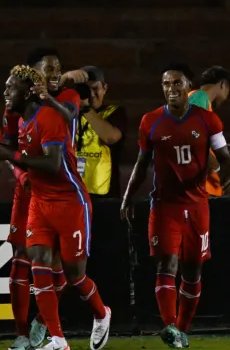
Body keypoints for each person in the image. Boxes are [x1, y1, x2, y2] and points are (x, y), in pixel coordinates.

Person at [0, 65, 111, 350]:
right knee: (38, 263)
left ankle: (102, 314)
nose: (5, 92)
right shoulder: (21, 121)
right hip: (40, 204)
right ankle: (58, 340)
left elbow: (53, 165)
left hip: (70, 202)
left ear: (28, 91)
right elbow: (23, 159)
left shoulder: (50, 116)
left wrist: (11, 154)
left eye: (10, 87)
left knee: (75, 276)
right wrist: (11, 160)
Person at [120, 63, 230, 348]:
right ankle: (169, 326)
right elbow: (142, 164)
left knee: (193, 270)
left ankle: (182, 329)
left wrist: (221, 183)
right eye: (166, 84)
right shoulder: (151, 121)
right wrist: (128, 196)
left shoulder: (208, 120)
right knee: (166, 265)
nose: (171, 89)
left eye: (177, 83)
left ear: (188, 85)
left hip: (197, 206)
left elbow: (225, 157)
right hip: (164, 206)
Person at [3, 48, 82, 350]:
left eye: (57, 69)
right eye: (47, 70)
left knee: (58, 263)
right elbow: (8, 148)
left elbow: (71, 114)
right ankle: (22, 334)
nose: (53, 75)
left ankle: (43, 322)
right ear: (32, 75)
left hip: (60, 189)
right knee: (21, 259)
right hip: (28, 192)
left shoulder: (66, 99)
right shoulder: (14, 108)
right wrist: (21, 176)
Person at [74, 66, 127, 198]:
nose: (91, 95)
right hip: (74, 191)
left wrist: (86, 109)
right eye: (86, 90)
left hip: (105, 193)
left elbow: (110, 137)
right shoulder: (70, 113)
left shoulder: (115, 113)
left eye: (95, 89)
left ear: (104, 88)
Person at [188, 66, 230, 196]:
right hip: (199, 188)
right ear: (223, 84)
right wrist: (218, 168)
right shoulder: (200, 97)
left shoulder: (199, 101)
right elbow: (191, 138)